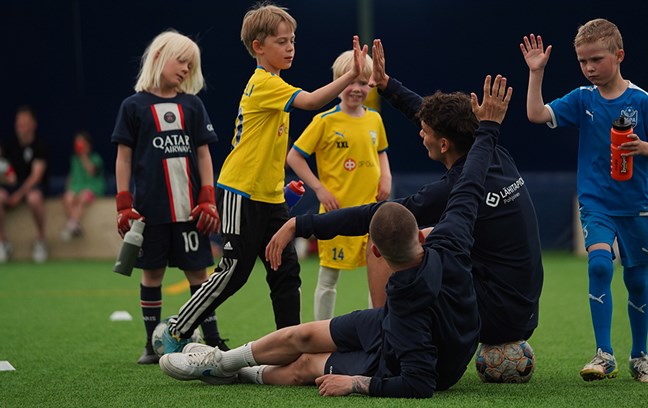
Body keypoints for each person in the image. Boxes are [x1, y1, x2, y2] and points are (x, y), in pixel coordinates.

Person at [159, 74, 511, 398]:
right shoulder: (453, 236)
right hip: (392, 327)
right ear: (422, 238)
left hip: (427, 361)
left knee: (305, 366)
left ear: (375, 251)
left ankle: (238, 374)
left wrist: (357, 383)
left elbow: (419, 383)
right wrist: (489, 129)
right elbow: (470, 182)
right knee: (305, 334)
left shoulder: (407, 312)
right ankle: (219, 361)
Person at [266, 39, 544, 382]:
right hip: (524, 308)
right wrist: (386, 86)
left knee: (385, 239)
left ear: (443, 144)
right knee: (427, 239)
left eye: (424, 133)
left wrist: (303, 224)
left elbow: (374, 214)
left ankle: (387, 335)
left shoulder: (453, 188)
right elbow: (427, 114)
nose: (420, 134)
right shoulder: (493, 153)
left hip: (495, 314)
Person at [161, 2, 369, 353]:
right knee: (233, 272)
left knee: (285, 272)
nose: (290, 47)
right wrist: (351, 74)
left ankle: (289, 347)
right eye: (282, 41)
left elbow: (267, 149)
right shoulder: (264, 84)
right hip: (240, 192)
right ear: (259, 47)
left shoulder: (276, 84)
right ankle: (177, 328)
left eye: (293, 41)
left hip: (268, 198)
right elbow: (314, 101)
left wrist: (282, 190)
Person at [521, 18, 648, 383]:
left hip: (636, 206)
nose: (589, 68)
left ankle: (640, 357)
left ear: (618, 56)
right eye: (582, 61)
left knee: (636, 280)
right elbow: (536, 114)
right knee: (600, 266)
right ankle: (604, 354)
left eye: (596, 60)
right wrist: (536, 73)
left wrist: (645, 147)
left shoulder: (641, 101)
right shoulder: (581, 98)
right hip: (596, 204)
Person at [111, 30, 227, 364]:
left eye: (192, 66)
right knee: (152, 275)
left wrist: (208, 197)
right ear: (160, 55)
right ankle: (151, 344)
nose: (186, 70)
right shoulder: (133, 106)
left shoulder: (193, 105)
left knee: (200, 275)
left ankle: (214, 339)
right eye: (182, 61)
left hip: (191, 211)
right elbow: (124, 157)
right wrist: (123, 203)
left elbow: (204, 155)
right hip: (150, 212)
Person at [287, 49, 391, 321]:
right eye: (349, 81)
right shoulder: (324, 121)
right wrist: (320, 189)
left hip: (370, 213)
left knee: (378, 275)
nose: (355, 88)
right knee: (328, 278)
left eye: (362, 82)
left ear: (371, 84)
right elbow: (294, 157)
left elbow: (381, 150)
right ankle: (321, 331)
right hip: (337, 215)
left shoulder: (374, 119)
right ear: (338, 82)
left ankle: (378, 330)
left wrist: (386, 177)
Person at [0, 106, 49, 263]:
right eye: (18, 123)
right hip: (13, 187)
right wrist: (7, 178)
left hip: (32, 187)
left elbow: (36, 176)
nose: (20, 127)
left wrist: (18, 195)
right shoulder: (10, 145)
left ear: (33, 124)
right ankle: (2, 242)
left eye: (24, 123)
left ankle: (41, 240)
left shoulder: (40, 145)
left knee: (33, 198)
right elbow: (6, 172)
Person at [60, 130, 106, 241]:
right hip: (76, 188)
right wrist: (68, 189)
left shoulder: (95, 158)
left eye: (81, 143)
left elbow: (92, 171)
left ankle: (71, 226)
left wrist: (83, 156)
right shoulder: (74, 159)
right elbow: (71, 176)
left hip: (92, 189)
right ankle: (75, 226)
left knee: (83, 197)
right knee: (68, 197)